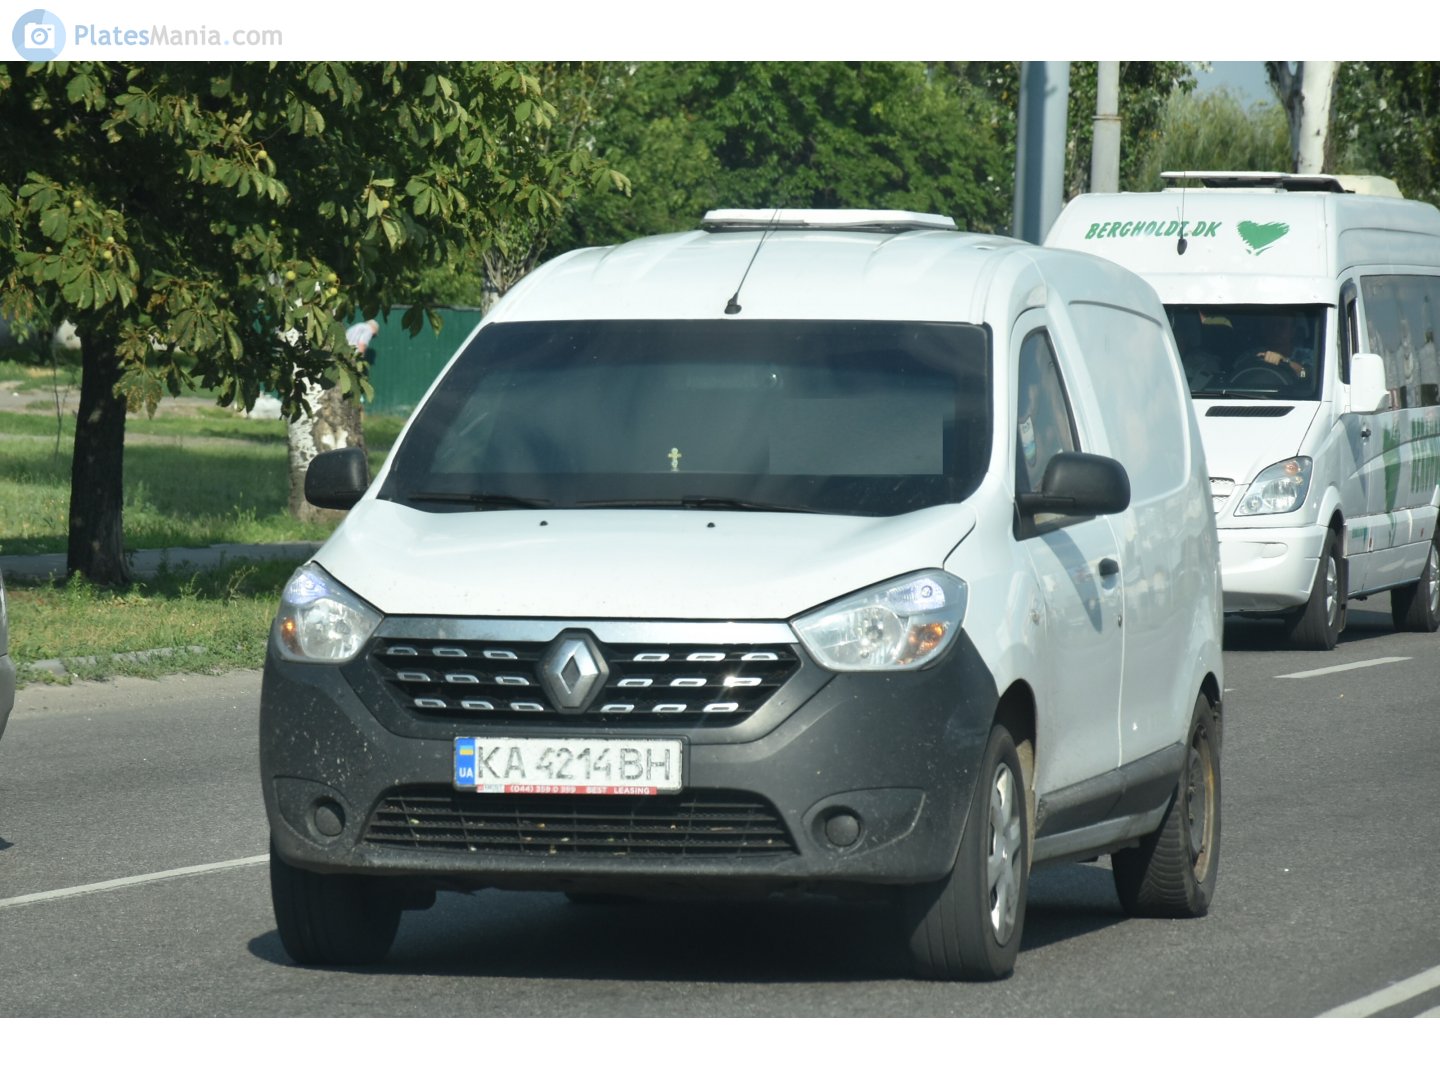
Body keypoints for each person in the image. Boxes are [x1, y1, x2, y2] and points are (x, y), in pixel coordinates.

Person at [1249, 312, 1311, 379]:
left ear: (1292, 331)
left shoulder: (1308, 355)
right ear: (1263, 329)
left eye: (1282, 325)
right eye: (1270, 325)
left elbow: (1304, 375)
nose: (1275, 329)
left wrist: (1285, 361)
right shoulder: (1251, 355)